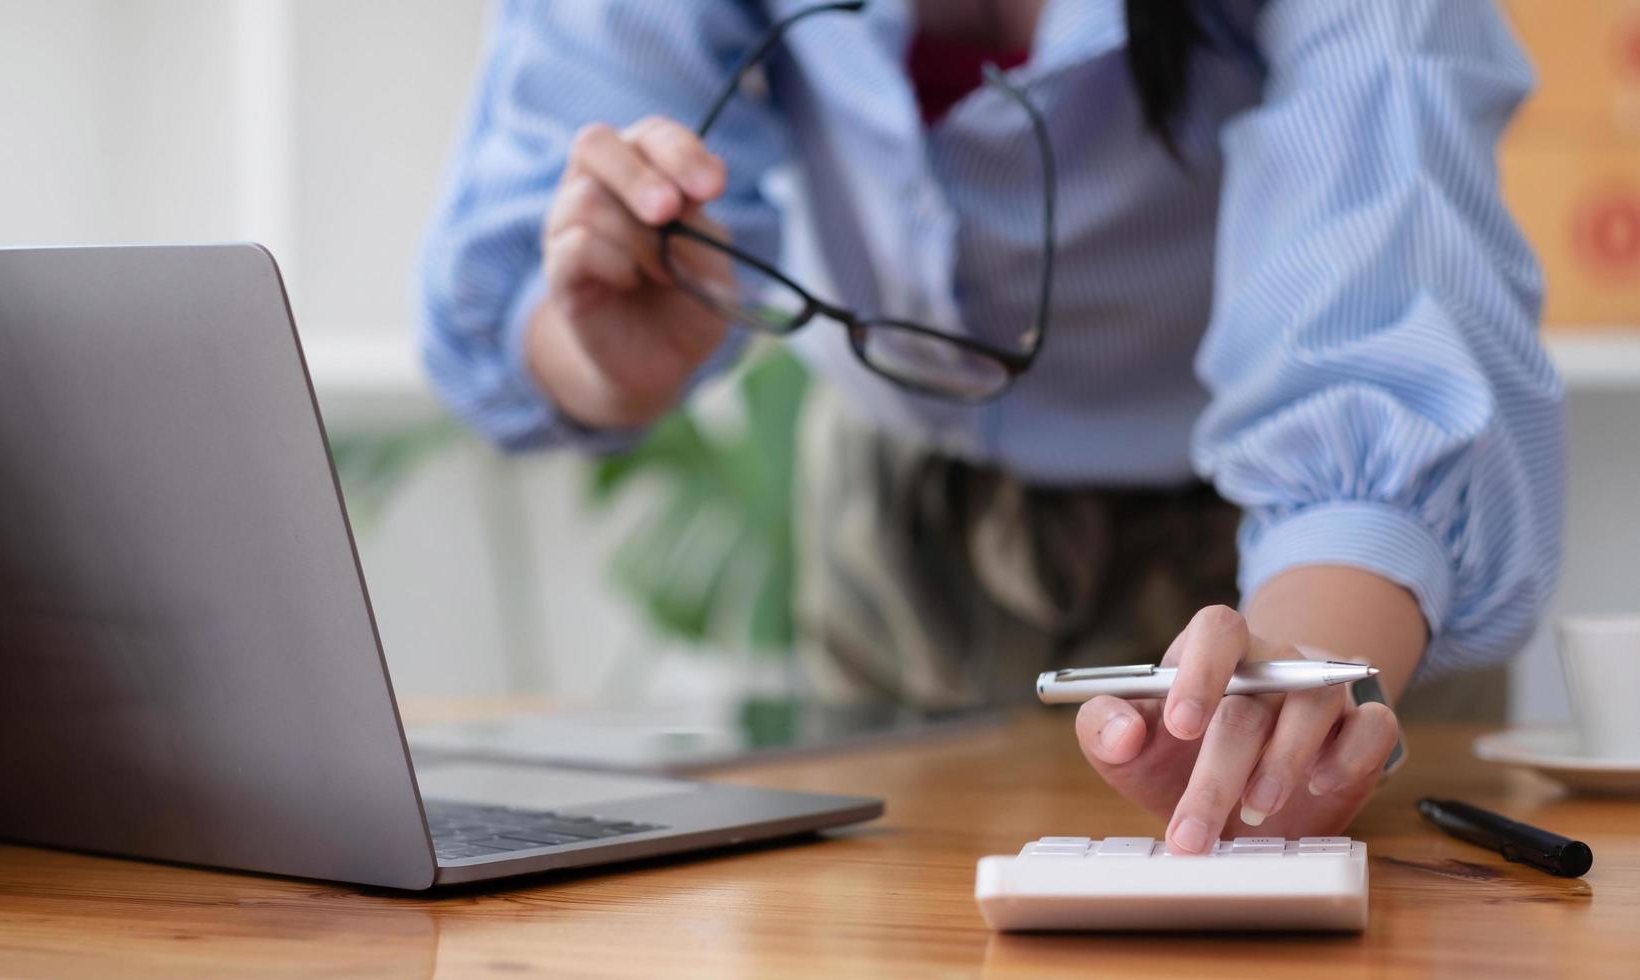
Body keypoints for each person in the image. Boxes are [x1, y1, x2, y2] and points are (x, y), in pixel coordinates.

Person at [418, 0, 1563, 853]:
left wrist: (1299, 677)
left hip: (1289, 558)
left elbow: (1389, 263)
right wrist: (600, 347)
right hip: (891, 530)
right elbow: (519, 270)